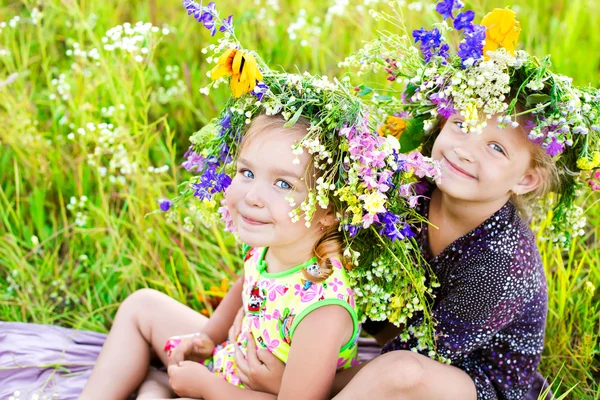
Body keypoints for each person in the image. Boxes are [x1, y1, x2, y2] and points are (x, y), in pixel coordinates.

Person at [219, 2, 600, 400]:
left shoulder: (503, 263)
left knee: (401, 371)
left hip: (465, 382)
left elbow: (415, 358)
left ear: (525, 178)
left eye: (496, 148)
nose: (466, 151)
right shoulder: (410, 189)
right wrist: (257, 307)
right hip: (392, 340)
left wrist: (295, 384)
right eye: (461, 124)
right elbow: (317, 246)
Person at [80, 2, 440, 398]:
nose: (252, 196)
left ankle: (158, 386)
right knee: (141, 305)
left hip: (239, 391)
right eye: (247, 173)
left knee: (155, 393)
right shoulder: (275, 245)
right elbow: (246, 283)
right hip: (226, 362)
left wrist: (207, 388)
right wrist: (206, 338)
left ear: (329, 212)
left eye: (283, 184)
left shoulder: (322, 309)